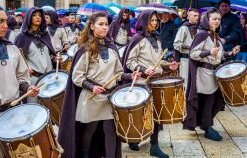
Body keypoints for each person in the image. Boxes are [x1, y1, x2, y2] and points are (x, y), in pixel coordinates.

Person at [58, 12, 141, 158]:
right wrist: (92, 87)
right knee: (89, 130)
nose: (104, 27)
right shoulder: (85, 49)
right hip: (92, 97)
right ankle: (84, 155)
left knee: (110, 130)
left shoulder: (112, 48)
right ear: (91, 26)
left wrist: (130, 75)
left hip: (109, 97)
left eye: (106, 24)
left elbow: (118, 73)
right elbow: (77, 77)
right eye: (100, 24)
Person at [122, 10, 178, 158]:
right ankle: (132, 138)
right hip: (142, 82)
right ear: (143, 21)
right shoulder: (137, 39)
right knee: (140, 114)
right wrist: (144, 69)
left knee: (157, 112)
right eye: (151, 20)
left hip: (157, 81)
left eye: (155, 20)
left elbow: (158, 61)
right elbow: (129, 62)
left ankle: (154, 145)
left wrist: (167, 66)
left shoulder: (157, 38)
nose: (154, 23)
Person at [183, 8, 240, 141]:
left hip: (214, 73)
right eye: (214, 19)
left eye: (219, 19)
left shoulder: (215, 35)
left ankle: (205, 124)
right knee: (210, 100)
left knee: (219, 99)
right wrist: (208, 52)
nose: (217, 21)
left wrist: (230, 53)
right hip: (204, 74)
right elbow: (193, 54)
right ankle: (207, 127)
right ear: (207, 20)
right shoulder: (202, 35)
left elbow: (218, 55)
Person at [0, 5, 38, 116]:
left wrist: (28, 88)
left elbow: (21, 77)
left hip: (14, 110)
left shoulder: (12, 48)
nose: (5, 26)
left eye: (5, 21)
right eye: (0, 21)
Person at [15, 7, 59, 103]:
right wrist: (25, 68)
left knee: (50, 109)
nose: (38, 17)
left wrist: (54, 58)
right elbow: (17, 60)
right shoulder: (21, 37)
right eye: (34, 15)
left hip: (49, 78)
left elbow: (48, 54)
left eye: (39, 15)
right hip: (33, 81)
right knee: (33, 111)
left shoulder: (45, 35)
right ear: (28, 17)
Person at [173, 8, 200, 88]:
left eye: (198, 16)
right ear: (188, 17)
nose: (197, 17)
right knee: (185, 84)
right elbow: (176, 44)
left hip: (196, 60)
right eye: (194, 16)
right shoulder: (183, 28)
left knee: (194, 84)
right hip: (185, 60)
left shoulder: (198, 29)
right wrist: (190, 47)